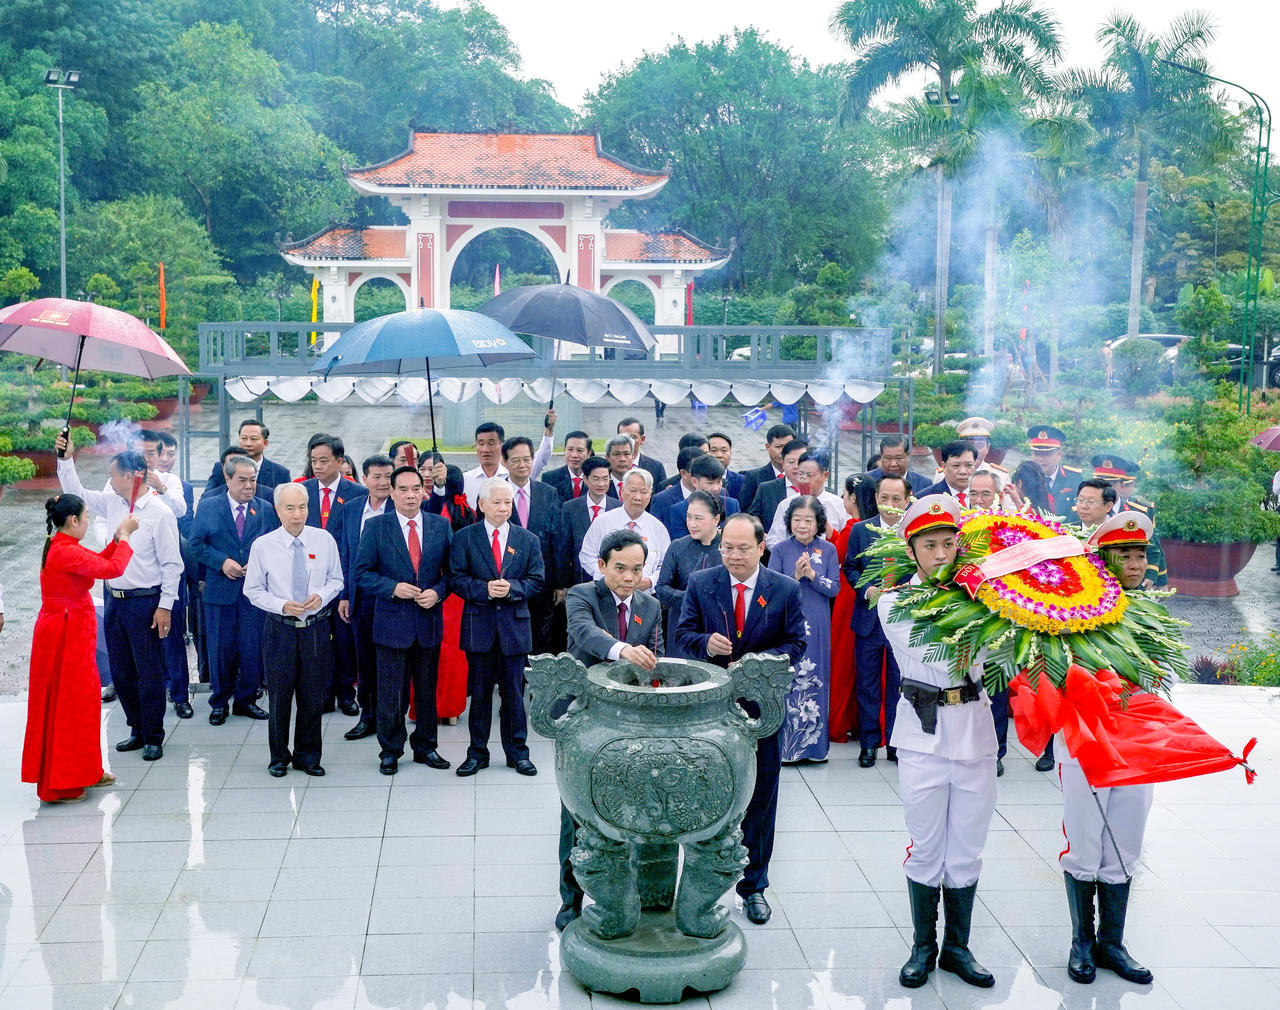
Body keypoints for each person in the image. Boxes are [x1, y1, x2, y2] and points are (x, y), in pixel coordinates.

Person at [878, 495, 998, 991]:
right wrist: (986, 607)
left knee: (966, 850)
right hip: (923, 736)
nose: (942, 553)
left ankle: (957, 948)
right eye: (930, 545)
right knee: (926, 847)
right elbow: (942, 647)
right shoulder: (894, 602)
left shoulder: (984, 600)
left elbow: (994, 654)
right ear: (913, 551)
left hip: (974, 731)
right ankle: (922, 946)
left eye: (950, 543)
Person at [673, 514, 806, 926]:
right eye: (727, 548)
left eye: (742, 548)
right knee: (708, 796)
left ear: (761, 546)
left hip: (762, 710)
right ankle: (703, 885)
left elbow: (796, 643)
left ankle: (754, 886)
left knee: (762, 797)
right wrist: (703, 643)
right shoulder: (702, 583)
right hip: (711, 712)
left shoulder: (784, 589)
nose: (732, 555)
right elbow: (682, 634)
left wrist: (758, 664)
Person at [1059, 511, 1159, 987]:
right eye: (1125, 555)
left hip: (1137, 739)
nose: (1136, 564)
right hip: (1086, 737)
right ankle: (1081, 941)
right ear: (1102, 560)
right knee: (1085, 839)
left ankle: (1112, 943)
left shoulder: (1153, 612)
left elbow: (1168, 673)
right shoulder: (1074, 611)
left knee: (1125, 840)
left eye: (1141, 554)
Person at [557, 529, 665, 930]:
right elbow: (584, 635)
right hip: (586, 717)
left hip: (631, 722)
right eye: (620, 568)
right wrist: (622, 650)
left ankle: (631, 898)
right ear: (602, 566)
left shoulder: (650, 606)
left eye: (636, 570)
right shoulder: (583, 595)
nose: (628, 577)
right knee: (577, 811)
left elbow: (658, 656)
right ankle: (571, 899)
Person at [56, 436, 182, 763]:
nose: (109, 482)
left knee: (149, 670)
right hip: (114, 597)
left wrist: (165, 606)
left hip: (146, 602)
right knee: (122, 671)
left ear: (132, 475)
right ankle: (136, 727)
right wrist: (65, 459)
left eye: (113, 475)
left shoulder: (159, 512)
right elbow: (77, 494)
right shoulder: (112, 502)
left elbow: (172, 565)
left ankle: (154, 734)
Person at [22, 496, 138, 803]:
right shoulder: (64, 551)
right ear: (73, 520)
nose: (87, 522)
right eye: (86, 517)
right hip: (65, 634)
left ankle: (85, 770)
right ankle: (65, 781)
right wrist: (125, 537)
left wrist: (115, 540)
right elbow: (112, 569)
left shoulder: (62, 544)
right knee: (70, 707)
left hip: (69, 629)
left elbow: (98, 563)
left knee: (82, 704)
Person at [356, 466, 453, 776]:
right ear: (392, 492)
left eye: (416, 489)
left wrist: (438, 593)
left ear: (424, 491)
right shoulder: (376, 527)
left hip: (428, 622)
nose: (411, 495)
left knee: (427, 690)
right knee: (391, 692)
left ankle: (426, 747)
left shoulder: (440, 526)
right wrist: (392, 588)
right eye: (404, 490)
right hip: (391, 623)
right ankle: (391, 750)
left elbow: (452, 574)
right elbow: (361, 574)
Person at [243, 483, 344, 777]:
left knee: (314, 695)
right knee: (280, 695)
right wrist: (281, 605)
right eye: (290, 508)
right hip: (280, 628)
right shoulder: (263, 545)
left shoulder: (323, 540)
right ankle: (278, 756)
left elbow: (336, 580)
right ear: (277, 510)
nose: (297, 515)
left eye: (302, 507)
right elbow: (253, 590)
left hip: (315, 628)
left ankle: (308, 755)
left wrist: (322, 597)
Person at [449, 477, 545, 777]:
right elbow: (456, 578)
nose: (504, 508)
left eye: (508, 502)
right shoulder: (465, 538)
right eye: (497, 502)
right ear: (481, 504)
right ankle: (477, 752)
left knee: (514, 694)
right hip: (479, 627)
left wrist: (513, 588)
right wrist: (485, 589)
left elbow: (537, 580)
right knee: (479, 696)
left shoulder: (527, 539)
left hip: (514, 629)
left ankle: (518, 752)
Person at [188, 454, 279, 725]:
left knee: (251, 647)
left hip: (254, 593)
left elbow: (276, 544)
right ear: (227, 479)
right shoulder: (209, 506)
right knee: (220, 649)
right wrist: (222, 562)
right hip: (220, 591)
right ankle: (219, 702)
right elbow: (195, 544)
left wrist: (258, 563)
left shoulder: (265, 508)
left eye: (253, 480)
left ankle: (246, 700)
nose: (249, 486)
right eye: (242, 480)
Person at [842, 474, 911, 768]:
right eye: (884, 498)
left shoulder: (914, 533)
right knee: (868, 684)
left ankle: (896, 743)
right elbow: (850, 567)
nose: (890, 505)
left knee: (899, 684)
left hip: (902, 621)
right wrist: (865, 588)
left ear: (908, 501)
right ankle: (869, 744)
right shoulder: (861, 530)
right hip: (869, 619)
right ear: (876, 498)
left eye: (897, 499)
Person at [767, 495, 839, 763]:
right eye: (797, 519)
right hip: (789, 621)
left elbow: (834, 588)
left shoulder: (828, 550)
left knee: (817, 677)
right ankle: (787, 749)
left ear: (818, 522)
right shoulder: (781, 550)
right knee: (790, 678)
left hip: (818, 621)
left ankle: (816, 749)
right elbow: (771, 589)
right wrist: (794, 578)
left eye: (808, 520)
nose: (802, 525)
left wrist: (812, 576)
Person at [328, 453, 395, 740]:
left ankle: (392, 720)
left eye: (388, 477)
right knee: (365, 662)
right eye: (376, 477)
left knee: (392, 663)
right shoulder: (352, 508)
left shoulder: (402, 507)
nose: (382, 482)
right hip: (360, 597)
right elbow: (345, 552)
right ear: (363, 479)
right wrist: (344, 594)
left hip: (394, 597)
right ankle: (368, 717)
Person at [302, 433, 367, 717]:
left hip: (342, 578)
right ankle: (322, 693)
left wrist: (348, 590)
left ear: (339, 461)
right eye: (313, 461)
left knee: (343, 639)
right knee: (316, 641)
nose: (317, 466)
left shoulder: (356, 494)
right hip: (310, 579)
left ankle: (345, 693)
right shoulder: (302, 492)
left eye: (324, 460)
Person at [421, 454, 476, 725]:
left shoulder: (433, 514)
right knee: (454, 654)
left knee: (433, 652)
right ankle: (452, 708)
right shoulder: (470, 513)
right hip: (459, 594)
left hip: (436, 588)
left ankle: (427, 706)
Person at [503, 435, 565, 650]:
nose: (522, 465)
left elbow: (558, 539)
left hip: (542, 582)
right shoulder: (495, 493)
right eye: (515, 460)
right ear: (504, 462)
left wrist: (558, 583)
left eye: (527, 459)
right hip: (507, 582)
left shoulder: (548, 493)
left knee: (540, 638)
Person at [656, 490, 725, 653]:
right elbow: (661, 589)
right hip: (682, 623)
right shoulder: (678, 546)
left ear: (716, 519)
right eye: (689, 517)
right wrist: (692, 598)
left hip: (718, 626)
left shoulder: (728, 548)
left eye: (698, 518)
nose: (692, 523)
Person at [579, 469, 670, 589]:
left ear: (650, 494)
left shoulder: (658, 528)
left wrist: (650, 581)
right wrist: (607, 577)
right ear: (622, 491)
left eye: (644, 492)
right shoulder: (602, 522)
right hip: (607, 594)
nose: (638, 497)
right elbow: (587, 556)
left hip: (644, 597)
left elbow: (666, 565)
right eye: (633, 491)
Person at [828, 474, 866, 743]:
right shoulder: (869, 527)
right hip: (861, 595)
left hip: (847, 597)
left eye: (844, 495)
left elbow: (836, 555)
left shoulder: (854, 527)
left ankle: (839, 721)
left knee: (842, 659)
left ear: (853, 498)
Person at [765, 450, 848, 548]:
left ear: (825, 476)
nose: (804, 479)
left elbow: (845, 542)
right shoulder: (786, 504)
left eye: (810, 475)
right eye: (800, 474)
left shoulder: (839, 505)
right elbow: (773, 539)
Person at [560, 457, 619, 587]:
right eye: (596, 479)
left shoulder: (618, 507)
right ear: (585, 479)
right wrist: (563, 584)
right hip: (579, 578)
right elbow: (564, 549)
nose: (601, 484)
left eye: (605, 478)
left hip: (611, 579)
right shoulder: (570, 508)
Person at [663, 454, 739, 540]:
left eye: (719, 482)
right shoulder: (679, 510)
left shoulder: (732, 505)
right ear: (695, 482)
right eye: (710, 483)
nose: (716, 488)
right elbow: (683, 545)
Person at [204, 419, 291, 493]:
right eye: (243, 438)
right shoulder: (222, 467)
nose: (248, 444)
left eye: (253, 439)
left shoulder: (280, 473)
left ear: (265, 443)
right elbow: (208, 496)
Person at [748, 438, 808, 525]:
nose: (796, 466)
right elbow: (754, 517)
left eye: (801, 461)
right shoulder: (766, 489)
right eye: (791, 462)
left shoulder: (817, 489)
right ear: (783, 464)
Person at [737, 424, 796, 513]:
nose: (783, 452)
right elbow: (746, 512)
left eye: (788, 447)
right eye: (778, 447)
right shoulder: (753, 477)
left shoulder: (803, 475)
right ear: (768, 447)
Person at [1027, 424, 1081, 514]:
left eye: (1046, 454)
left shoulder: (1074, 479)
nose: (1040, 459)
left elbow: (1078, 512)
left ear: (1059, 454)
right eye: (1036, 454)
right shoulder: (1024, 476)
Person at [866, 434, 931, 497]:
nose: (893, 464)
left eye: (899, 458)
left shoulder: (923, 484)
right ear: (881, 457)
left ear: (907, 456)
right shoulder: (866, 481)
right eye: (888, 458)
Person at [540, 430, 593, 501]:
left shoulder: (597, 479)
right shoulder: (550, 478)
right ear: (564, 450)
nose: (574, 455)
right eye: (570, 449)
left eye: (579, 450)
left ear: (588, 453)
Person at [617, 416, 667, 485]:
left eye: (632, 437)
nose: (628, 441)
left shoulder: (656, 468)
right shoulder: (608, 467)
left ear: (642, 439)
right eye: (623, 437)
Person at [706, 431, 744, 502]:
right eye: (713, 450)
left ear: (730, 453)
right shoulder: (698, 479)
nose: (719, 455)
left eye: (724, 450)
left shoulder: (741, 481)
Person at [603, 434, 635, 500]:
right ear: (607, 458)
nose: (622, 459)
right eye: (616, 454)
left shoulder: (641, 484)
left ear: (633, 457)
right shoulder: (600, 486)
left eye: (626, 454)